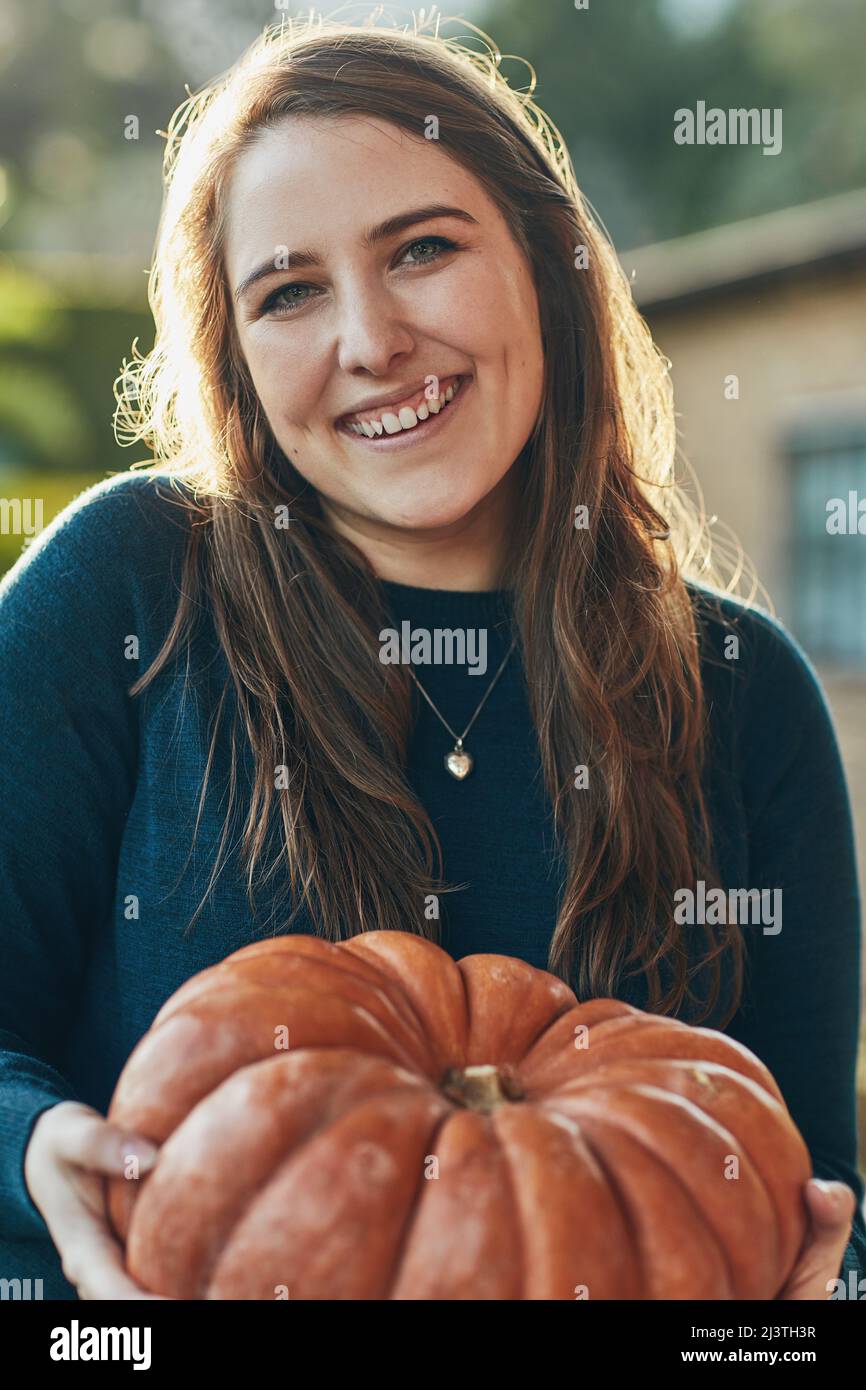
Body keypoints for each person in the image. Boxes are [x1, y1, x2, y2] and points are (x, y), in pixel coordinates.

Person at [1, 17, 862, 1301]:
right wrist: (33, 1151)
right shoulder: (130, 587)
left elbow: (811, 1199)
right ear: (235, 354)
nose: (369, 340)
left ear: (545, 266)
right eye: (288, 291)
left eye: (421, 249)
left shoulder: (739, 689)